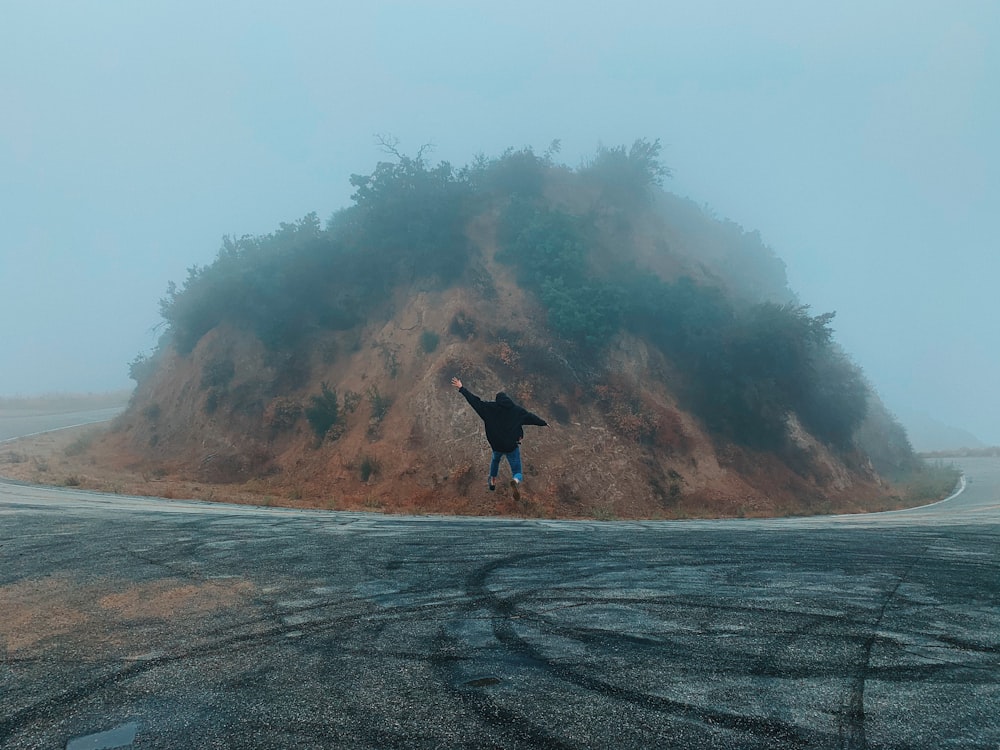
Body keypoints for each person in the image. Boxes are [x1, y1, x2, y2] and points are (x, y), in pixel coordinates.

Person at [451, 377, 547, 499]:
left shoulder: (489, 408)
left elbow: (475, 401)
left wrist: (462, 388)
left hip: (496, 445)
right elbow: (531, 417)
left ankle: (492, 480)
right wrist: (543, 423)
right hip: (511, 446)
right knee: (517, 470)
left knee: (495, 460)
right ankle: (515, 481)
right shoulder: (517, 411)